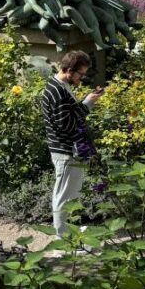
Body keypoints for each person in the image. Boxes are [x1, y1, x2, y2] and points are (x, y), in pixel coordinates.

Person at [43, 50, 103, 235]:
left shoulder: (58, 85)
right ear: (69, 70)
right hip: (66, 150)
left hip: (67, 150)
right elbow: (67, 125)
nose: (82, 78)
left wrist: (85, 103)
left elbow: (67, 116)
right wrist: (86, 105)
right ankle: (63, 236)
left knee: (70, 194)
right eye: (80, 74)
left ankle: (68, 230)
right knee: (64, 195)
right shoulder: (58, 91)